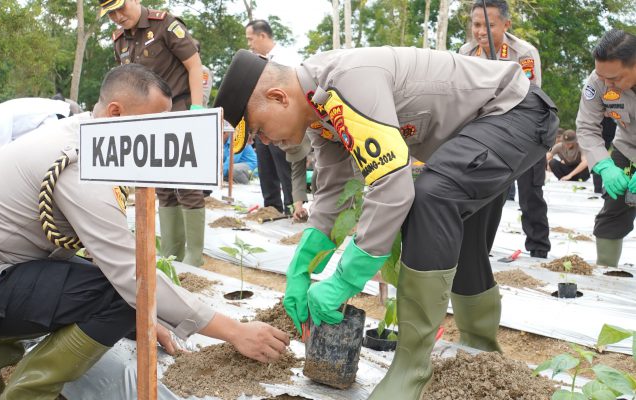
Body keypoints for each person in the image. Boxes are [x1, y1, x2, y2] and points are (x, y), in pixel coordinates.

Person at [214, 47, 557, 399]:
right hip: (480, 133)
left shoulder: (346, 83)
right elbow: (335, 193)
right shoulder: (319, 111)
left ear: (278, 97)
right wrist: (302, 265)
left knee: (429, 200)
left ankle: (411, 367)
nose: (266, 142)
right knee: (456, 230)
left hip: (516, 113)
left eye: (259, 130)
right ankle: (479, 350)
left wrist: (346, 279)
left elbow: (392, 186)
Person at [0, 64, 289, 400]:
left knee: (101, 289)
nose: (161, 134)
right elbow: (131, 277)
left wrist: (146, 319)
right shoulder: (80, 164)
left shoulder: (78, 129)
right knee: (120, 296)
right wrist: (236, 332)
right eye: (153, 122)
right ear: (117, 114)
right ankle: (27, 393)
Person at [101, 0, 208, 266]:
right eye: (110, 13)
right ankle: (172, 252)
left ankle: (194, 256)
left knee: (187, 183)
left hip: (179, 108)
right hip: (146, 120)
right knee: (162, 186)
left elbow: (195, 67)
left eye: (120, 8)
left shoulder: (165, 25)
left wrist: (196, 109)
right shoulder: (119, 41)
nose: (117, 16)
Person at [459, 0, 551, 259]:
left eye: (489, 25)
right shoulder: (466, 53)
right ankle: (477, 249)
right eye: (476, 25)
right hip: (485, 131)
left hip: (524, 129)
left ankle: (538, 249)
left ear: (506, 25)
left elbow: (529, 96)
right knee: (484, 192)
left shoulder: (523, 53)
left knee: (530, 191)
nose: (481, 32)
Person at [576, 29, 636, 268]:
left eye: (614, 78)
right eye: (602, 76)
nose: (606, 83)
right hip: (627, 148)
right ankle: (606, 274)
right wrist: (605, 165)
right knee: (614, 210)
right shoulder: (597, 82)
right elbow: (587, 127)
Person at [245, 19, 301, 215]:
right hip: (262, 120)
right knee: (265, 162)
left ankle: (292, 206)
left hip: (280, 119)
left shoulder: (287, 57)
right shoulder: (256, 61)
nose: (250, 44)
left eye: (251, 39)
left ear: (263, 35)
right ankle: (272, 205)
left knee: (284, 162)